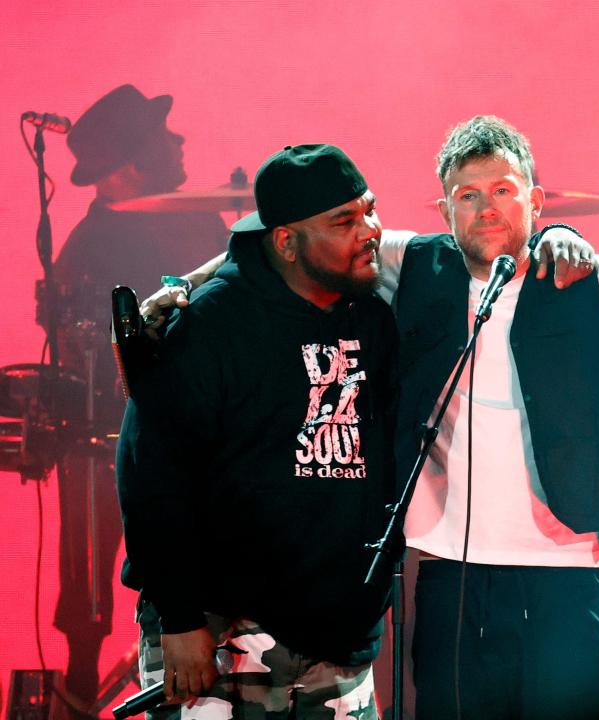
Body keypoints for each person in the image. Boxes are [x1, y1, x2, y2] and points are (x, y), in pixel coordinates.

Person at [139, 118, 599, 720]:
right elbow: (277, 249)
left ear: (537, 199)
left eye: (504, 191)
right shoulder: (409, 265)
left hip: (572, 565)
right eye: (466, 195)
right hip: (452, 566)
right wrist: (188, 286)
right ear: (443, 209)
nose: (486, 208)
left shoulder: (597, 277)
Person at [116, 144, 397, 719]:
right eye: (344, 221)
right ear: (287, 242)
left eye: (369, 210)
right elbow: (151, 474)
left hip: (336, 637)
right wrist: (181, 617)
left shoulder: (372, 315)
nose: (369, 231)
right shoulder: (213, 324)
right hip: (222, 635)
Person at [50, 84, 228, 706]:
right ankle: (78, 688)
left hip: (207, 430)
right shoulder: (88, 246)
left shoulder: (201, 220)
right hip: (111, 433)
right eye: (162, 135)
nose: (178, 141)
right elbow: (77, 353)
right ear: (127, 164)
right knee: (91, 568)